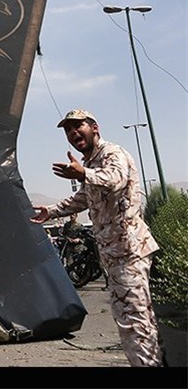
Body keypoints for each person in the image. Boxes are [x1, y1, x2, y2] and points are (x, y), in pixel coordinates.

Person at [30, 109, 163, 367]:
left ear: (94, 127)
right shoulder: (90, 163)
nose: (72, 133)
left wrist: (83, 174)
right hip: (114, 255)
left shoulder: (112, 154)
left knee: (134, 322)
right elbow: (83, 198)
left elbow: (114, 179)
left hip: (128, 251)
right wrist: (52, 211)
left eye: (77, 126)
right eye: (68, 130)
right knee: (134, 321)